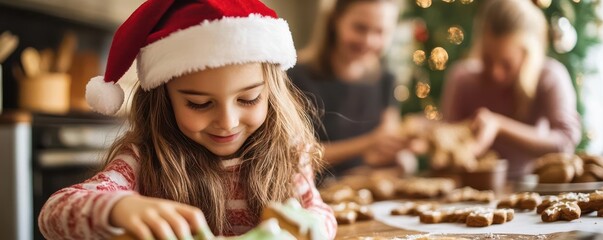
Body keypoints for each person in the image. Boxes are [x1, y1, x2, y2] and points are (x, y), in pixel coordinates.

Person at [38, 0, 336, 239]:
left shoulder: (289, 154)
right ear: (164, 101)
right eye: (200, 104)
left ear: (271, 93)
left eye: (248, 99)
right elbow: (52, 214)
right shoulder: (145, 160)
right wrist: (120, 207)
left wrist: (308, 229)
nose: (228, 121)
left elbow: (321, 213)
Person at [441, 0, 581, 179]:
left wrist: (499, 126)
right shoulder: (462, 79)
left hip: (533, 190)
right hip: (469, 193)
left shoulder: (550, 77)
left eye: (507, 64)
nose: (496, 73)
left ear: (528, 54)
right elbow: (446, 145)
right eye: (487, 59)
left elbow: (565, 142)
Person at [288, 0, 404, 178]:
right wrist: (370, 143)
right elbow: (295, 156)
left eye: (380, 31)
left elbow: (384, 145)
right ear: (336, 21)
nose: (369, 40)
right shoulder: (295, 76)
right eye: (360, 28)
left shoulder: (386, 79)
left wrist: (401, 153)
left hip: (364, 193)